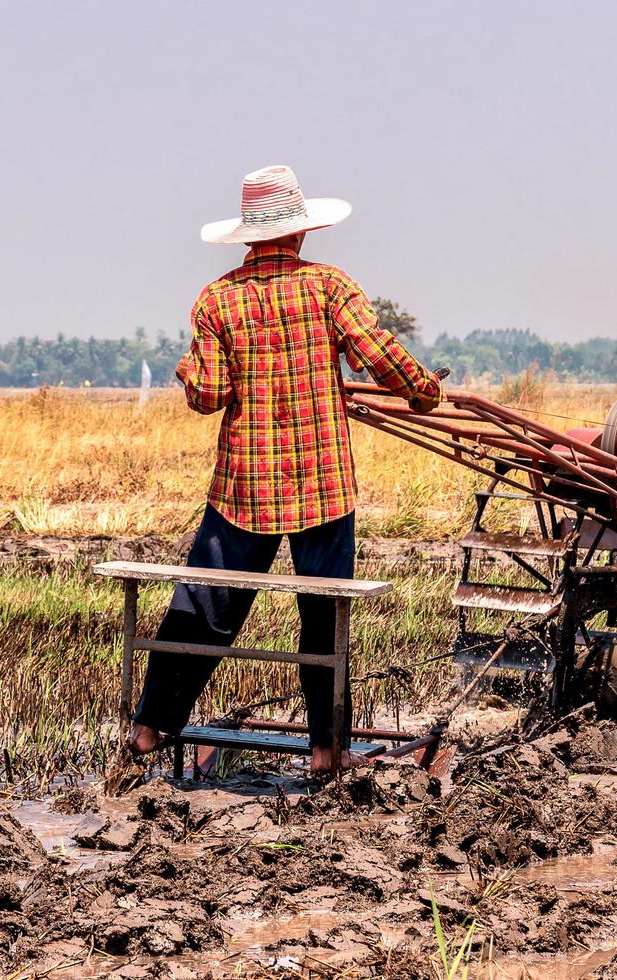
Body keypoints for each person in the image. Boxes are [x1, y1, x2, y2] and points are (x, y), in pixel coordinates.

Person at [128, 165, 442, 774]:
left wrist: (188, 372)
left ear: (249, 238)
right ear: (300, 235)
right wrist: (424, 390)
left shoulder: (217, 298)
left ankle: (147, 730)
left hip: (243, 491)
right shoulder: (330, 288)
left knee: (204, 608)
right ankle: (326, 749)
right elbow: (381, 357)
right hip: (323, 488)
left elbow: (209, 393)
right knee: (324, 616)